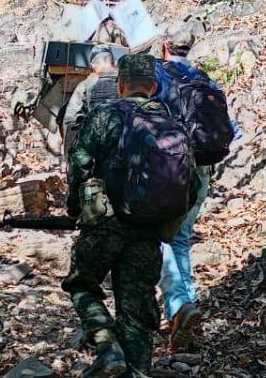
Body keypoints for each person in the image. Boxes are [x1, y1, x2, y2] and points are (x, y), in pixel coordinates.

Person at [63, 54, 175, 378]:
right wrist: (166, 221)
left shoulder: (104, 116)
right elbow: (190, 182)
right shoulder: (170, 123)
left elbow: (79, 162)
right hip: (148, 230)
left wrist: (75, 208)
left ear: (121, 85)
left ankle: (107, 345)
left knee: (82, 284)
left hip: (104, 224)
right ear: (153, 87)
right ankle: (137, 372)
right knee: (137, 310)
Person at [152, 33, 229, 352]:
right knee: (181, 238)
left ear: (164, 47)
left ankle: (179, 306)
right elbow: (231, 129)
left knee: (161, 238)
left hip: (172, 168)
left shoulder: (157, 74)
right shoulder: (205, 79)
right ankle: (187, 310)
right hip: (203, 168)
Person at [62, 45, 120, 152]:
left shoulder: (85, 85)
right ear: (113, 61)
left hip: (96, 147)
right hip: (124, 147)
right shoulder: (126, 83)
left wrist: (68, 154)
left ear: (93, 65)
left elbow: (72, 120)